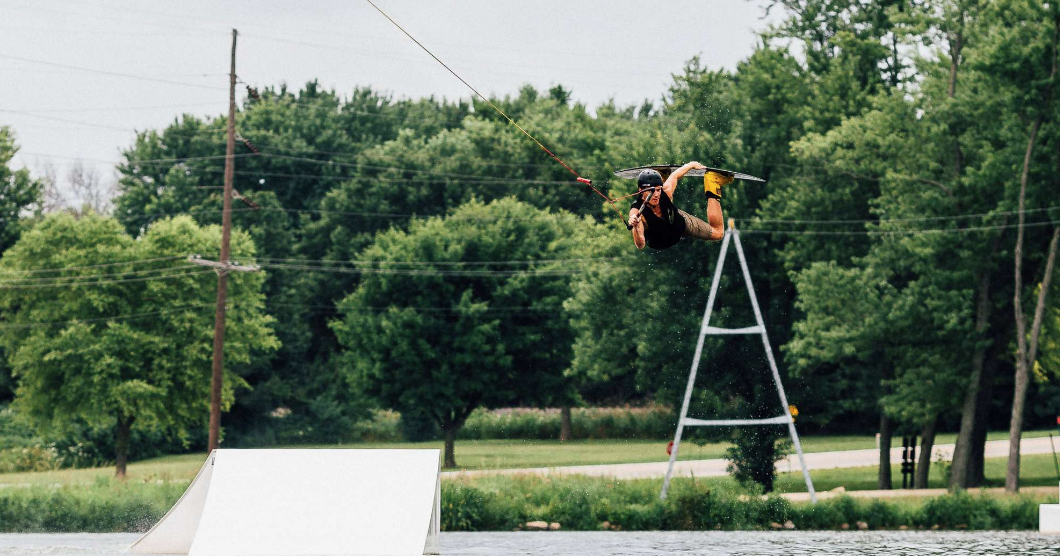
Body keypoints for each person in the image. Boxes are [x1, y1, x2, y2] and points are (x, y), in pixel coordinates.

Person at [626, 161, 732, 250]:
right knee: (664, 206)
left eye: (658, 190)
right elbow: (640, 245)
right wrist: (635, 226)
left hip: (681, 224)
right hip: (659, 242)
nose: (656, 195)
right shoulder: (638, 213)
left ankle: (712, 181)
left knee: (718, 233)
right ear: (640, 190)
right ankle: (662, 175)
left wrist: (691, 165)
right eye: (651, 191)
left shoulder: (665, 191)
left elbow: (675, 175)